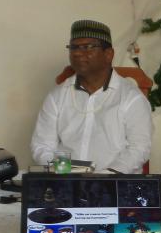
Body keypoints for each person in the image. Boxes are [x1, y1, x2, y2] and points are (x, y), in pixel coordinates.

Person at [31, 20, 152, 173]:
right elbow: (42, 145)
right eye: (73, 47)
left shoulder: (131, 97)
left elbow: (139, 148)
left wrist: (105, 177)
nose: (76, 53)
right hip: (66, 180)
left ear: (109, 54)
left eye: (87, 47)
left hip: (114, 182)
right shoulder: (57, 96)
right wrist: (65, 173)